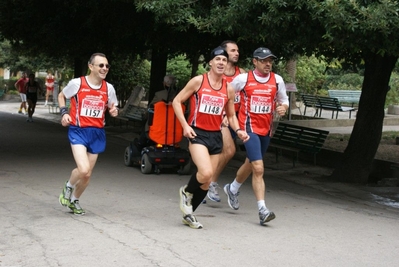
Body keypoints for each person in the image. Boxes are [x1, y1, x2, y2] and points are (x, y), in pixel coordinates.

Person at [173, 46, 250, 229]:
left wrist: (238, 130)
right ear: (210, 62)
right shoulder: (198, 81)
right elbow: (177, 101)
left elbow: (231, 115)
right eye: (218, 60)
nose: (221, 63)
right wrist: (185, 125)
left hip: (216, 136)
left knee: (207, 182)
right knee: (206, 172)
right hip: (197, 132)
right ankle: (186, 191)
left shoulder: (229, 88)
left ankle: (189, 214)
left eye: (224, 60)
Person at [223, 47, 289, 226]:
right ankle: (262, 210)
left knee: (250, 164)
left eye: (270, 60)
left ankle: (232, 188)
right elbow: (226, 93)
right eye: (263, 60)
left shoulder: (277, 80)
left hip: (266, 130)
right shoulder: (243, 79)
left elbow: (284, 100)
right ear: (255, 61)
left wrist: (284, 107)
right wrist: (226, 115)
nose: (268, 63)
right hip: (247, 129)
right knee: (259, 168)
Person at [58, 52, 119, 215]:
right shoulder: (77, 83)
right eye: (101, 65)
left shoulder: (109, 88)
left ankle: (74, 200)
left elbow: (113, 107)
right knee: (83, 169)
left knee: (86, 175)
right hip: (78, 130)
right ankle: (68, 187)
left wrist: (113, 111)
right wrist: (64, 112)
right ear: (91, 67)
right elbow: (62, 95)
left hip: (97, 133)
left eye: (107, 66)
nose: (104, 68)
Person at [207, 40, 246, 203]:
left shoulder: (242, 73)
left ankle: (204, 184)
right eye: (233, 51)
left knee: (220, 154)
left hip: (235, 118)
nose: (237, 53)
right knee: (229, 151)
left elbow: (246, 97)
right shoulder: (218, 72)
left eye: (237, 51)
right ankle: (210, 183)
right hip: (219, 118)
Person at [135, 74, 179, 151]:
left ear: (164, 83)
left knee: (146, 124)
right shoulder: (180, 95)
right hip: (175, 129)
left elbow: (150, 108)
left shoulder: (159, 95)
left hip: (159, 127)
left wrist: (145, 115)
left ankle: (140, 144)